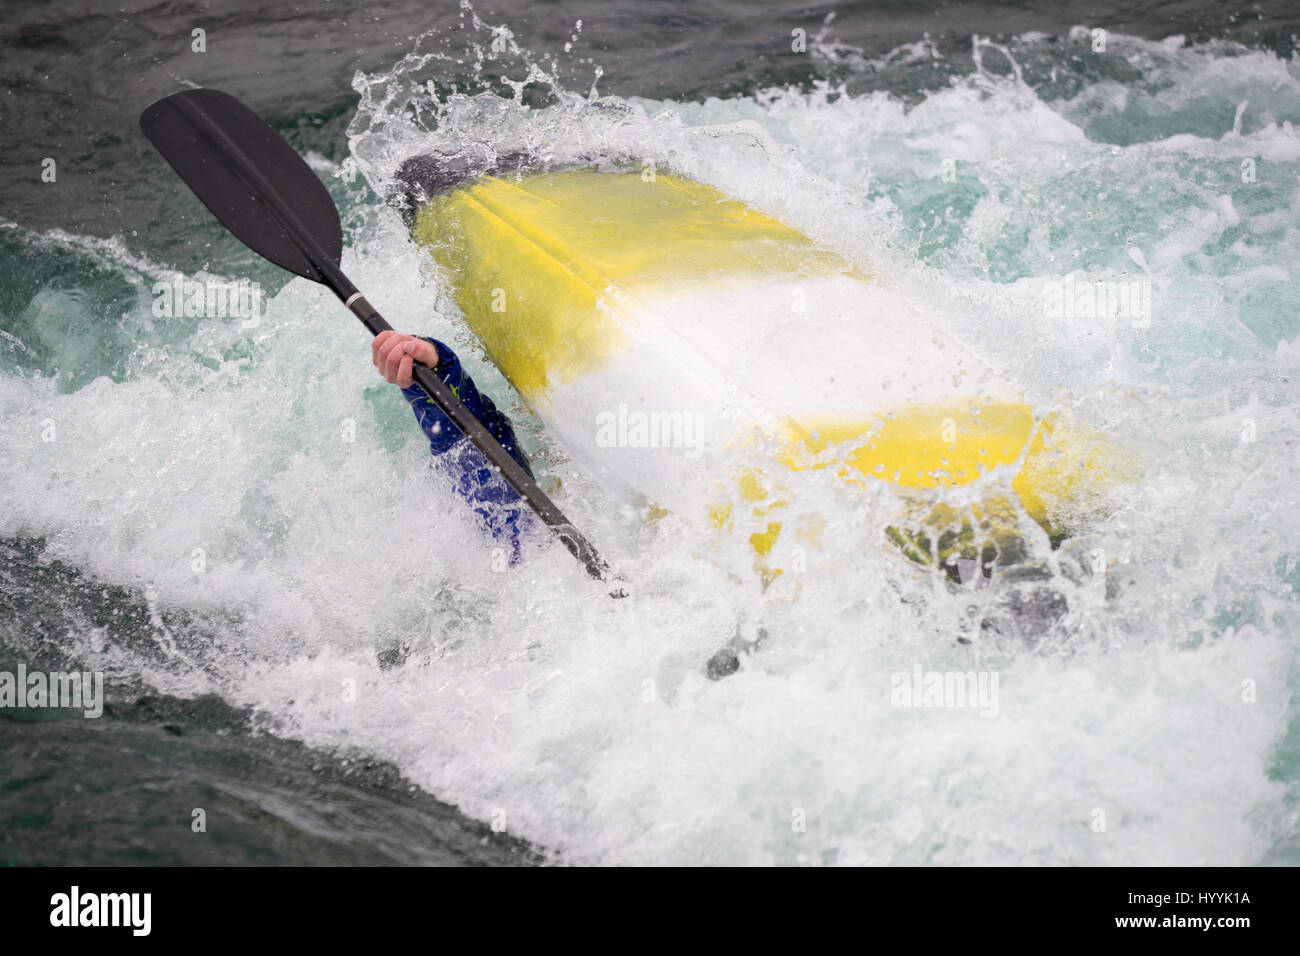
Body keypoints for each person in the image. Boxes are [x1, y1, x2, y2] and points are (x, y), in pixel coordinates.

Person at [371, 330, 534, 561]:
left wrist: (435, 378)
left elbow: (466, 446)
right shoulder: (527, 551)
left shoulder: (527, 559)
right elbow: (473, 448)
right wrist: (437, 376)